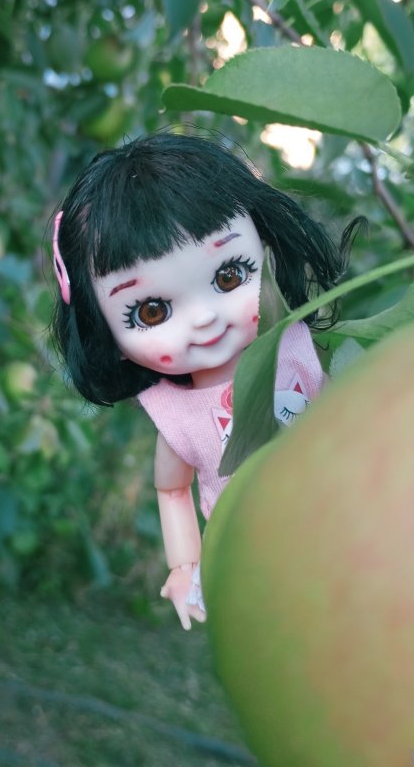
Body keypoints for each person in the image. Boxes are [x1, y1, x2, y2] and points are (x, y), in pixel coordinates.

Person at [50, 131, 359, 630]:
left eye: (229, 276)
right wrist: (184, 567)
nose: (204, 319)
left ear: (266, 250)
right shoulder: (178, 416)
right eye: (152, 311)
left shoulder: (298, 351)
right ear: (102, 328)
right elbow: (173, 491)